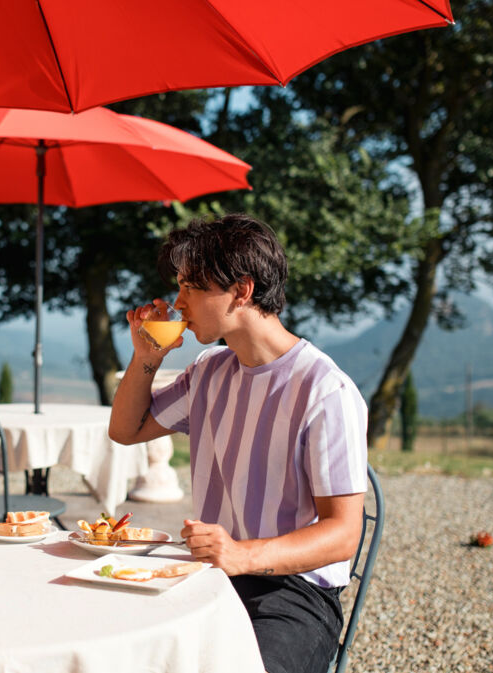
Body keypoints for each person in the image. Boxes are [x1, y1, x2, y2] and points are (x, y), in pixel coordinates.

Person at [109, 214, 368, 673]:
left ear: (242, 291)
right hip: (210, 577)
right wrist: (146, 358)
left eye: (191, 286)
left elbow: (344, 534)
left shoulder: (326, 391)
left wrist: (243, 555)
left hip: (292, 593)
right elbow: (127, 430)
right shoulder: (209, 372)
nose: (178, 302)